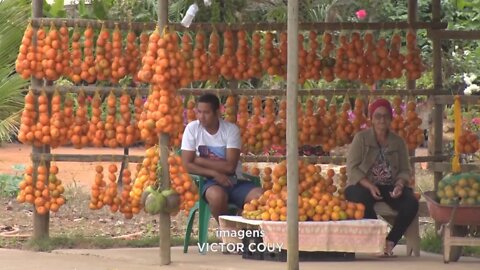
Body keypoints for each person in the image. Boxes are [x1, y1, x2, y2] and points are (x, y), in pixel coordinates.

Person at [345, 98, 419, 257]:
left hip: (389, 186)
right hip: (365, 186)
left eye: (386, 116)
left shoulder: (398, 142)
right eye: (378, 116)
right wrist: (370, 186)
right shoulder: (361, 138)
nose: (382, 120)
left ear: (391, 119)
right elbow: (352, 168)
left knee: (411, 202)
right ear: (371, 118)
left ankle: (390, 241)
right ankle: (376, 239)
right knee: (357, 196)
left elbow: (405, 170)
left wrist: (399, 185)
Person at [181, 93, 263, 222]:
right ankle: (227, 232)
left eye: (206, 113)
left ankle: (244, 229)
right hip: (208, 182)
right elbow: (186, 165)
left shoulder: (231, 130)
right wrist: (214, 174)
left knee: (260, 196)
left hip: (235, 181)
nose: (201, 117)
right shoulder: (192, 129)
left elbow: (230, 167)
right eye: (199, 112)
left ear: (217, 112)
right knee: (216, 196)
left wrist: (198, 160)